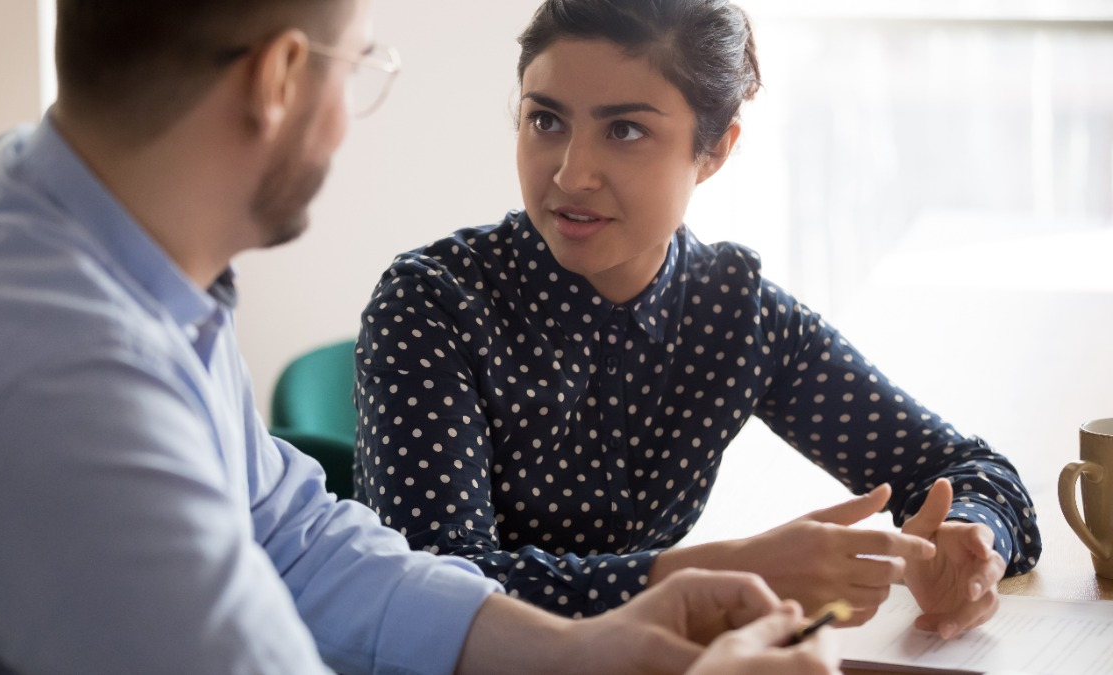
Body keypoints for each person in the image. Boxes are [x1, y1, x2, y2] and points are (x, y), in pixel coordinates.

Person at [0, 0, 844, 673]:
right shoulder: (66, 390)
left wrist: (579, 648)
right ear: (279, 77)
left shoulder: (63, 222)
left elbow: (295, 538)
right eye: (358, 66)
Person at [354, 0, 1042, 640]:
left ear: (714, 150)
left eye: (625, 130)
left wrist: (971, 541)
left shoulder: (735, 316)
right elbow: (431, 593)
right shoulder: (432, 305)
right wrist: (724, 575)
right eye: (546, 120)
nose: (571, 172)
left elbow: (968, 468)